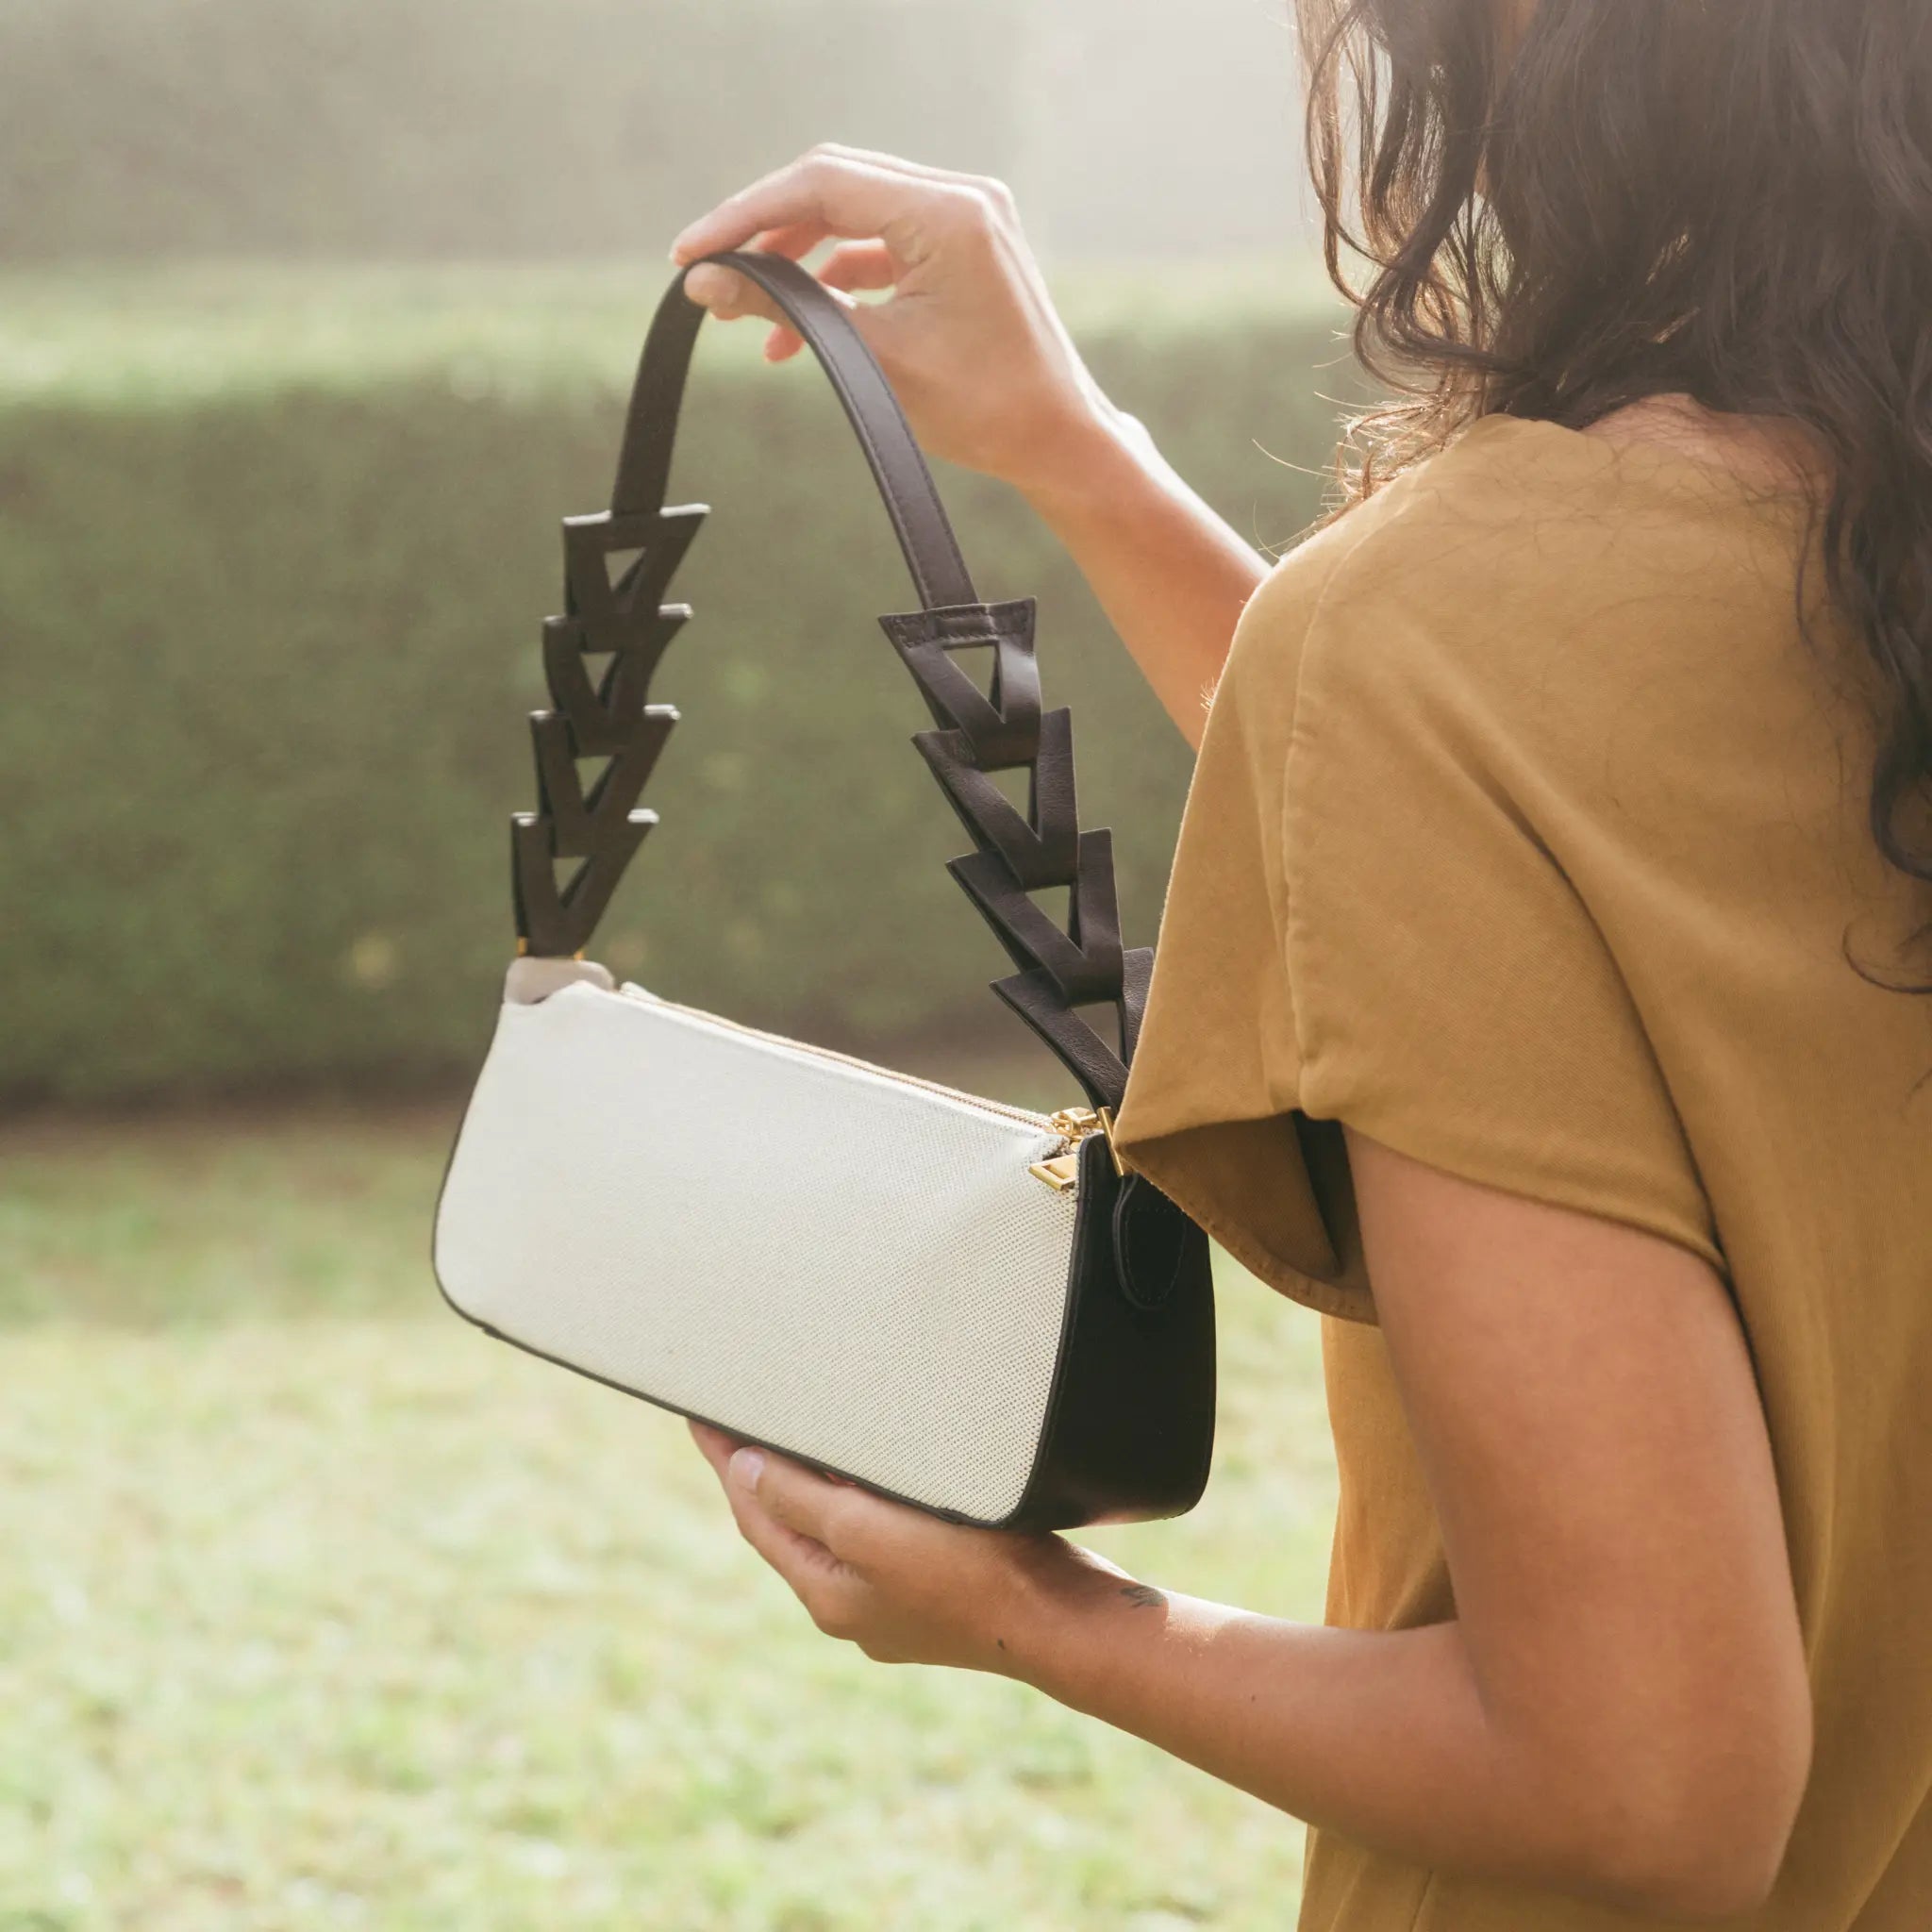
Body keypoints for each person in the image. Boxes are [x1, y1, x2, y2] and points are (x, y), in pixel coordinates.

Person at [671, 2, 1931, 1924]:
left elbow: (1648, 1784)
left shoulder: (1449, 636)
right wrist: (1077, 458)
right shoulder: (1843, 557)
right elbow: (1520, 826)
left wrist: (1037, 1614)